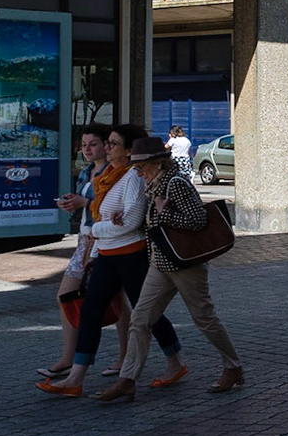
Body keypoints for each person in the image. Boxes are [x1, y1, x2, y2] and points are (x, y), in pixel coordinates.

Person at [37, 126, 186, 398]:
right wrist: (95, 251)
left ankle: (175, 362)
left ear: (129, 151)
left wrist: (97, 231)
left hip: (131, 256)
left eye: (113, 144)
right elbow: (106, 216)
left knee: (147, 314)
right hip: (106, 254)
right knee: (91, 311)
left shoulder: (132, 177)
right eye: (108, 143)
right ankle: (76, 377)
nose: (107, 148)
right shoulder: (106, 175)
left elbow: (130, 222)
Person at [97, 137, 244, 402]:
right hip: (160, 263)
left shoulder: (176, 184)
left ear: (156, 163)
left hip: (185, 264)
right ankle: (127, 380)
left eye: (140, 165)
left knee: (204, 318)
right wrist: (130, 219)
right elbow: (155, 225)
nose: (137, 171)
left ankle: (233, 367)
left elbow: (197, 220)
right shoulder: (152, 185)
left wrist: (164, 213)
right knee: (140, 321)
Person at [40, 125, 130, 382]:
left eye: (93, 144)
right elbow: (88, 207)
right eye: (83, 145)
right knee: (66, 295)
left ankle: (124, 358)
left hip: (104, 240)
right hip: (85, 240)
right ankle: (68, 359)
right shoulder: (85, 173)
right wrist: (73, 203)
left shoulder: (115, 174)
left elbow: (115, 209)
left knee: (115, 302)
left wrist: (85, 203)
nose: (87, 149)